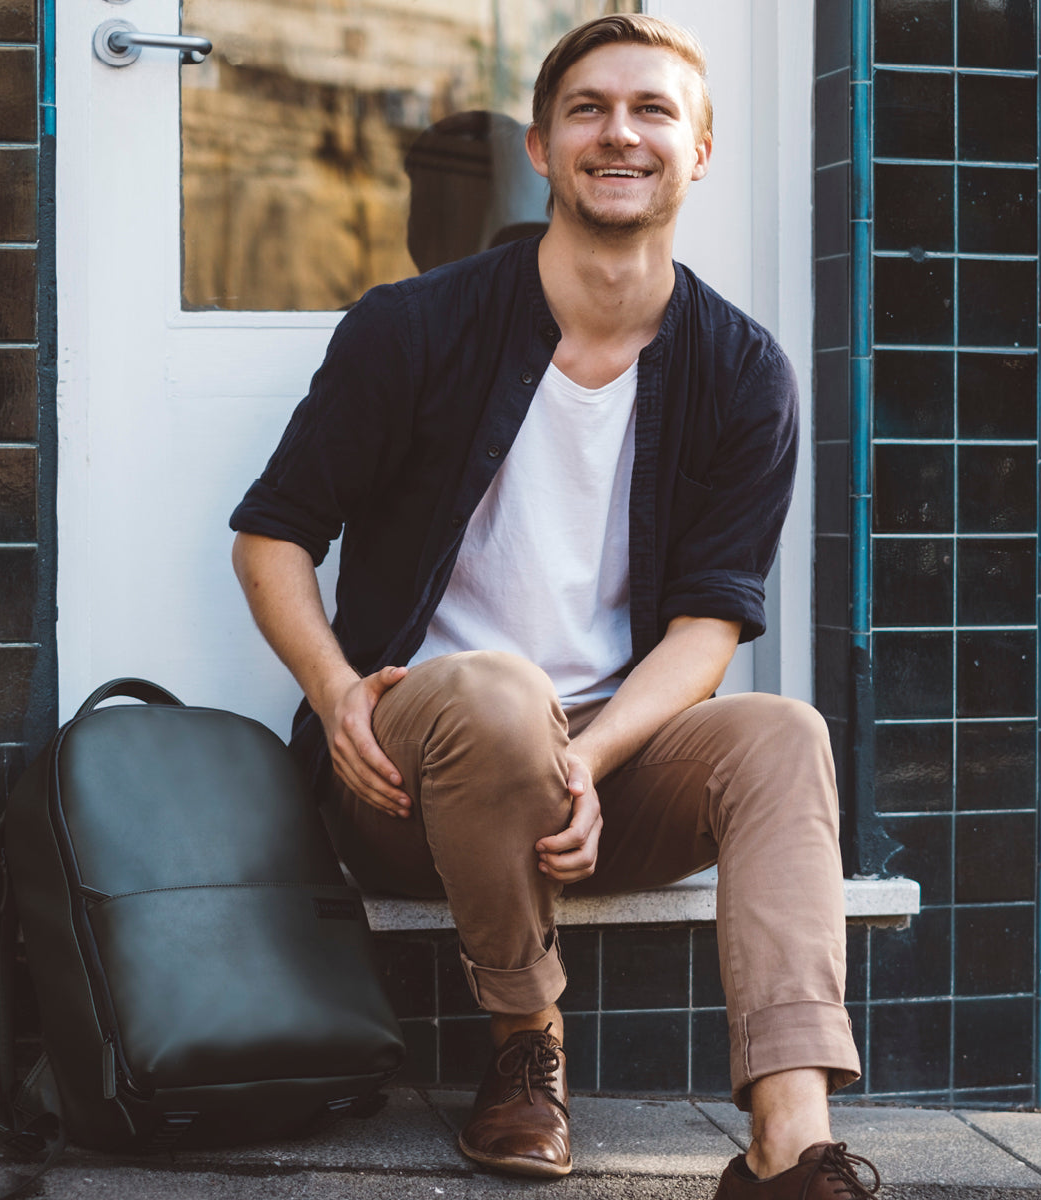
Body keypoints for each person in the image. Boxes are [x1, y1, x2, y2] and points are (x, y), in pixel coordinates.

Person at [230, 15, 881, 1200]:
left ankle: (790, 1144)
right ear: (540, 147)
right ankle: (527, 1049)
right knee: (498, 691)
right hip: (416, 771)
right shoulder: (414, 328)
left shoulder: (742, 371)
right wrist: (335, 697)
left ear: (699, 150)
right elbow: (271, 536)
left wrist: (591, 757)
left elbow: (706, 630)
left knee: (784, 733)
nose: (619, 133)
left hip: (600, 776)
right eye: (588, 109)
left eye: (652, 110)